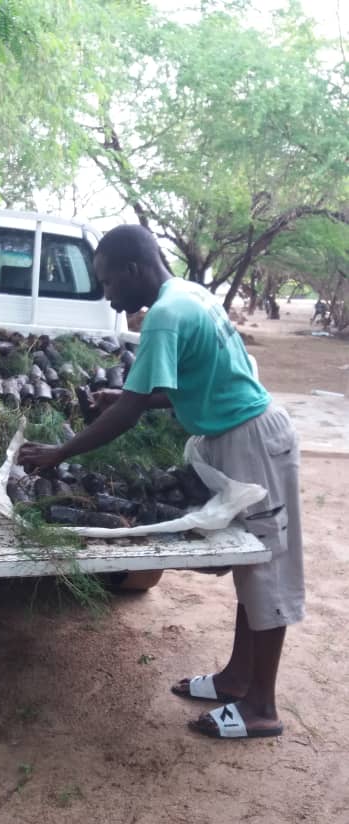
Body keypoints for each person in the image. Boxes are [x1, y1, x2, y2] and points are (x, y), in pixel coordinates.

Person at [19, 224, 305, 741]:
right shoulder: (189, 294)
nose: (108, 295)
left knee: (268, 571)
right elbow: (187, 386)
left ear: (133, 269)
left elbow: (128, 412)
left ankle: (262, 706)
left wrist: (62, 451)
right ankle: (238, 678)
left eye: (108, 282)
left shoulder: (165, 317)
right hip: (234, 435)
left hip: (254, 441)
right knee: (250, 568)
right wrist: (137, 398)